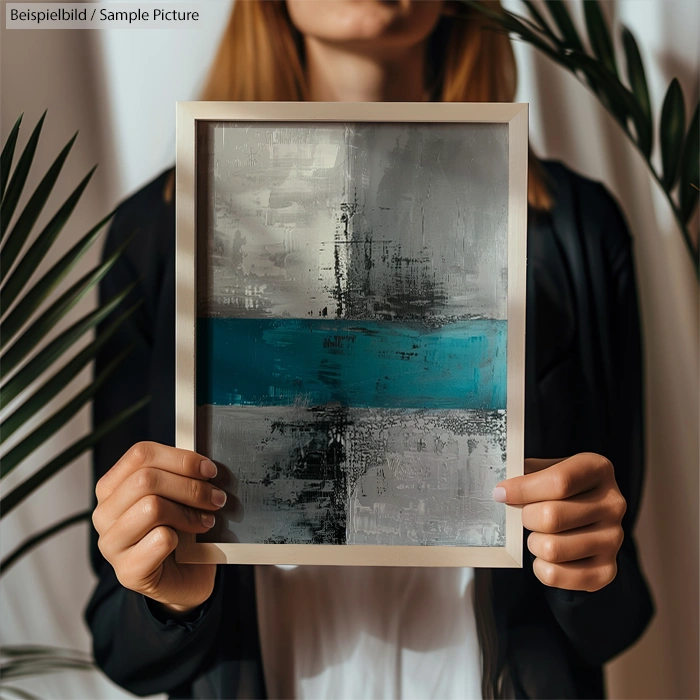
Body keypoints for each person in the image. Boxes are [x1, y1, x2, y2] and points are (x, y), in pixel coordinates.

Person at [85, 1, 654, 699]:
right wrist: (164, 595)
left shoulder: (579, 232)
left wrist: (590, 568)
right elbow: (121, 645)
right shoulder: (154, 234)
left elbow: (618, 621)